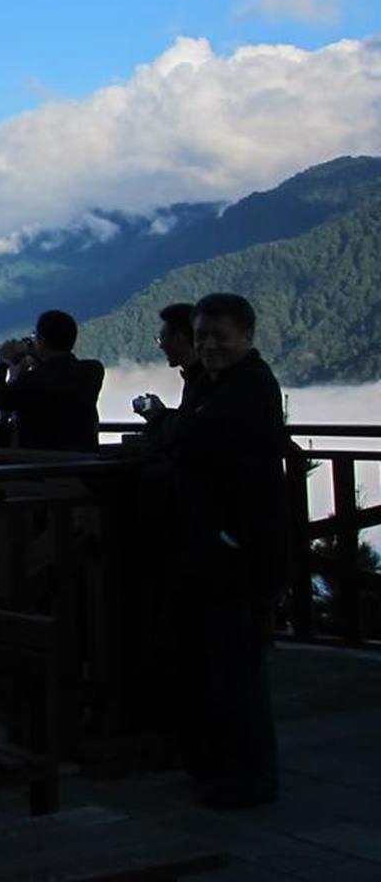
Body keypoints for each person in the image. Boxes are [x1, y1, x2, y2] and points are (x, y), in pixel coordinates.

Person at [162, 292, 288, 808]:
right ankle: (216, 764)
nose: (210, 345)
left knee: (237, 669)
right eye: (202, 336)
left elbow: (212, 451)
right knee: (209, 661)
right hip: (211, 547)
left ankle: (251, 777)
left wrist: (233, 537)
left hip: (238, 552)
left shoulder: (250, 388)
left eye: (220, 336)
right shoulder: (216, 385)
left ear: (247, 336)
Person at [0, 309, 105, 451]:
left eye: (36, 337)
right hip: (85, 464)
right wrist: (40, 359)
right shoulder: (93, 371)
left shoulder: (32, 381)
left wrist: (2, 362)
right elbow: (58, 376)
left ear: (42, 341)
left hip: (40, 466)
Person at [136, 302, 211, 431]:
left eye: (163, 338)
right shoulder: (197, 376)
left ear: (179, 337)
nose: (161, 346)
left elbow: (189, 433)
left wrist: (158, 416)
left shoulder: (207, 381)